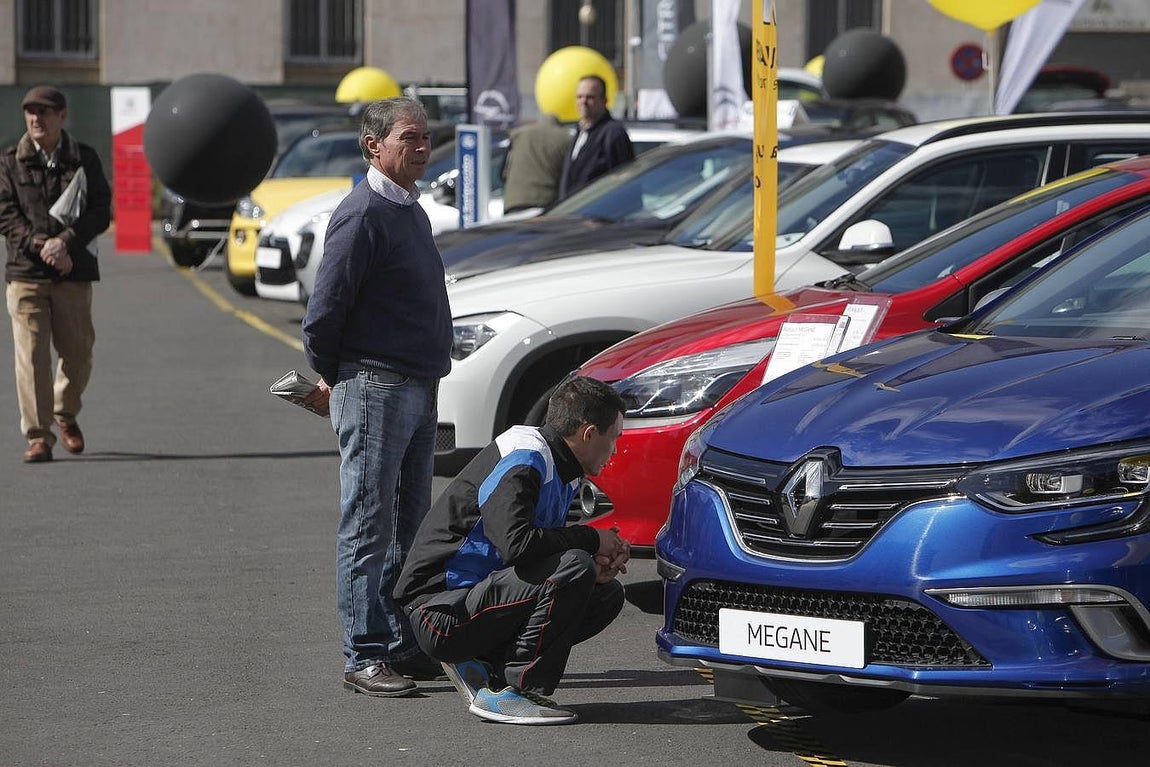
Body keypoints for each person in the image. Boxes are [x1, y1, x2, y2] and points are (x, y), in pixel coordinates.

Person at [300, 96, 453, 698]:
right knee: (368, 521)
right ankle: (364, 653)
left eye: (425, 138)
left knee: (409, 524)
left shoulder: (409, 210)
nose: (420, 148)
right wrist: (335, 377)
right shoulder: (362, 213)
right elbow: (323, 312)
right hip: (375, 385)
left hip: (417, 383)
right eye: (408, 138)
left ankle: (397, 641)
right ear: (374, 145)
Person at [394, 375, 632, 725]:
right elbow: (517, 544)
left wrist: (595, 566)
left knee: (603, 592)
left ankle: (487, 668)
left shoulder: (561, 464)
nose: (615, 451)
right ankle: (509, 691)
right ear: (589, 433)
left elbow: (537, 552)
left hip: (472, 601)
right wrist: (591, 541)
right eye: (614, 439)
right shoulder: (525, 458)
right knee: (576, 567)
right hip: (439, 613)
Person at [0, 85, 112, 464]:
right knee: (31, 357)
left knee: (79, 354)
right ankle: (39, 435)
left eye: (44, 112)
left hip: (73, 271)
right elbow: (6, 215)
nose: (35, 119)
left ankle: (64, 414)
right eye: (30, 112)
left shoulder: (85, 159)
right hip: (26, 273)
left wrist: (66, 242)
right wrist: (41, 247)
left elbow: (100, 211)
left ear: (62, 116)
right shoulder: (9, 162)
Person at [558, 75, 635, 200]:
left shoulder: (613, 133)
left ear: (604, 101)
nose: (583, 102)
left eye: (590, 97)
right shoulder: (579, 133)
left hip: (598, 214)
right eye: (579, 97)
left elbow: (624, 180)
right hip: (572, 213)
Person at [501, 112, 571, 214]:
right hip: (545, 201)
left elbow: (503, 171)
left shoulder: (519, 134)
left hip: (514, 202)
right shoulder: (565, 138)